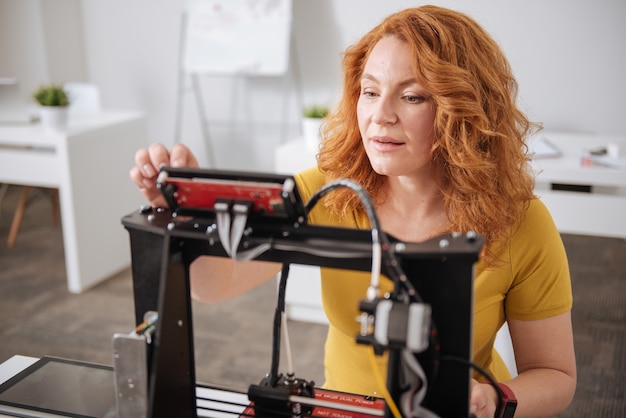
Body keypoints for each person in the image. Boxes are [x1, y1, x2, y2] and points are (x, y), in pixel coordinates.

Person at [130, 5, 576, 417]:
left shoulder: (521, 222)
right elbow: (214, 283)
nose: (380, 115)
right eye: (369, 91)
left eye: (412, 96)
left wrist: (493, 399)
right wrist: (186, 212)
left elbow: (556, 375)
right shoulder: (327, 191)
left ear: (463, 110)